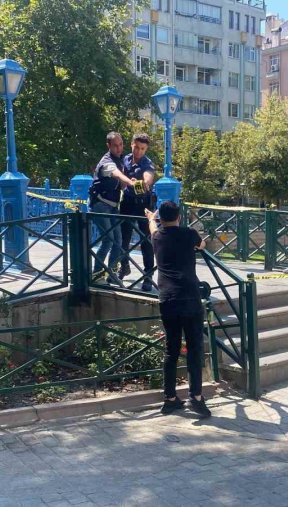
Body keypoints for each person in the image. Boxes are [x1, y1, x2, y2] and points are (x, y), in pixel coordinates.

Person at [146, 201, 211, 418]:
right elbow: (201, 245)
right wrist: (201, 244)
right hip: (190, 297)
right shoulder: (189, 234)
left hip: (168, 298)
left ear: (162, 218)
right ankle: (196, 397)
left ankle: (170, 398)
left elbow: (153, 228)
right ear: (179, 217)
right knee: (194, 349)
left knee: (171, 349)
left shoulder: (157, 237)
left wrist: (150, 218)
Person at [89, 132, 137, 285]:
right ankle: (96, 275)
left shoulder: (120, 160)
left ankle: (112, 274)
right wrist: (129, 182)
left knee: (119, 241)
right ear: (108, 146)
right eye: (115, 145)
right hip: (100, 205)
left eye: (121, 144)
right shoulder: (106, 161)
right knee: (108, 241)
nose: (119, 148)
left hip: (113, 206)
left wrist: (129, 181)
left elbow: (120, 183)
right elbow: (116, 174)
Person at [118, 133, 156, 292]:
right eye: (137, 147)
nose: (139, 151)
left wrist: (138, 184)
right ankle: (124, 266)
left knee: (146, 241)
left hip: (144, 206)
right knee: (123, 239)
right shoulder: (125, 159)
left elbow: (148, 180)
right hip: (126, 203)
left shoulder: (147, 163)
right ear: (132, 145)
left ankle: (147, 277)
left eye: (143, 149)